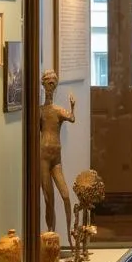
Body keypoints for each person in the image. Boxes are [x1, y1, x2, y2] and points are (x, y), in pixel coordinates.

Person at [40, 69, 75, 246]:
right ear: (43, 84)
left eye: (53, 82)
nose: (51, 85)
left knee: (66, 195)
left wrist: (73, 107)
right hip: (43, 158)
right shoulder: (40, 111)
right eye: (48, 82)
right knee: (49, 199)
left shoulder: (58, 110)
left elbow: (72, 118)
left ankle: (70, 238)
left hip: (56, 158)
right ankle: (51, 240)